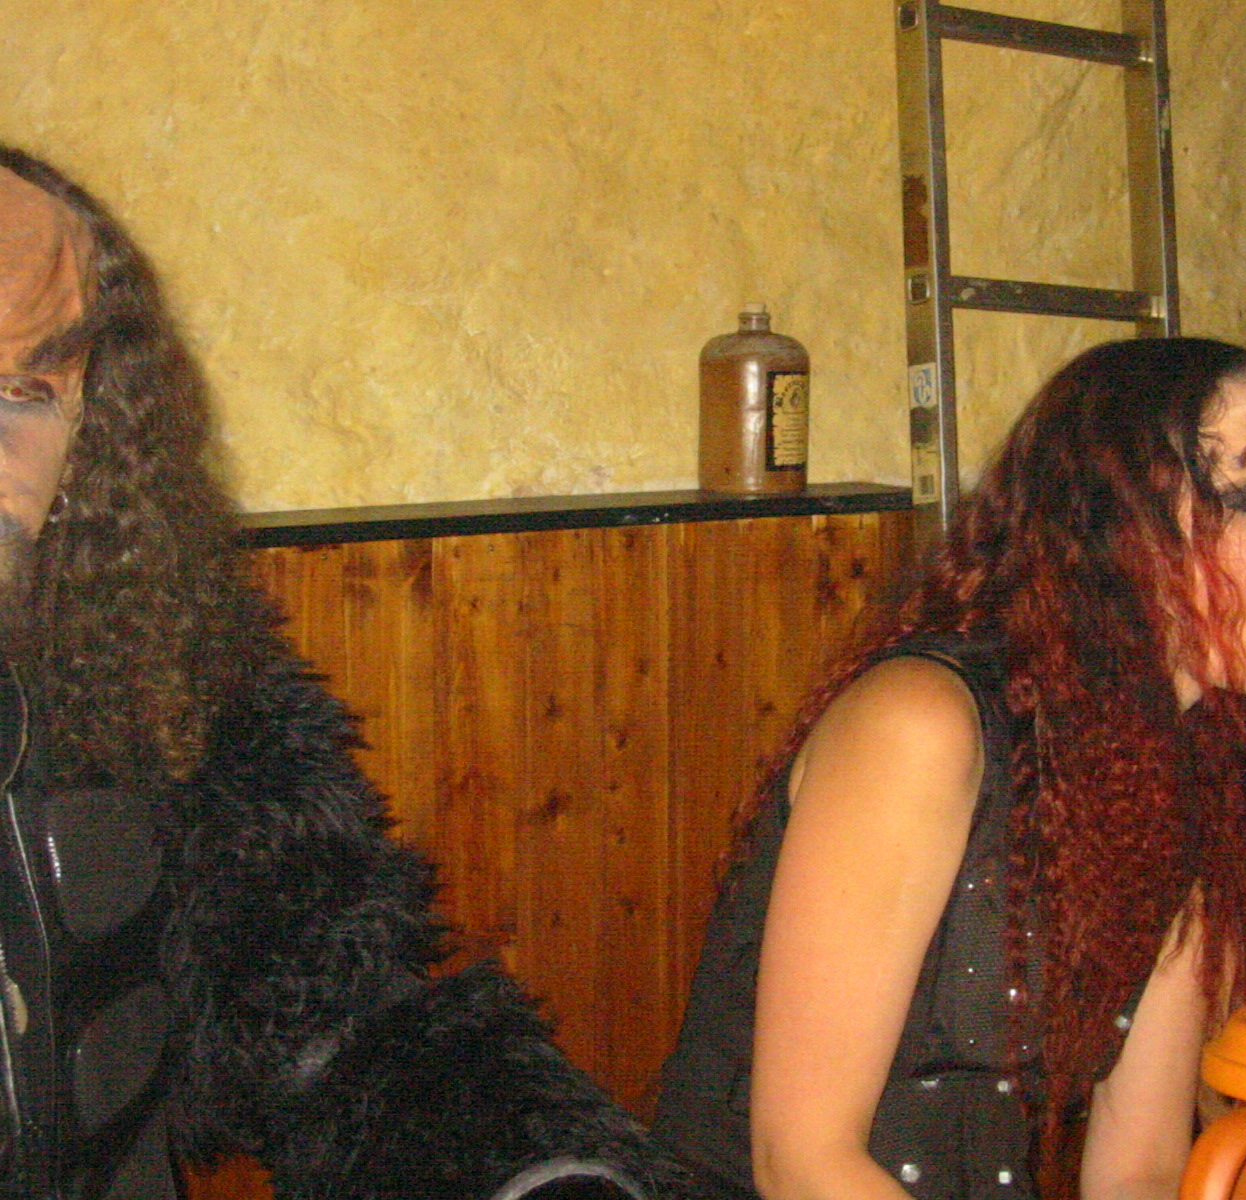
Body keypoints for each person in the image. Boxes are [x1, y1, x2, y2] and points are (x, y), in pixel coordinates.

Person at [0, 146, 714, 1200]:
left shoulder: (155, 686)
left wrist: (549, 1176)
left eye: (24, 391)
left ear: (91, 434)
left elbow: (339, 1041)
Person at [654, 336, 1246, 1200]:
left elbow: (1139, 1165)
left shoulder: (1189, 763)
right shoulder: (922, 724)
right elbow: (801, 1161)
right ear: (1117, 528)